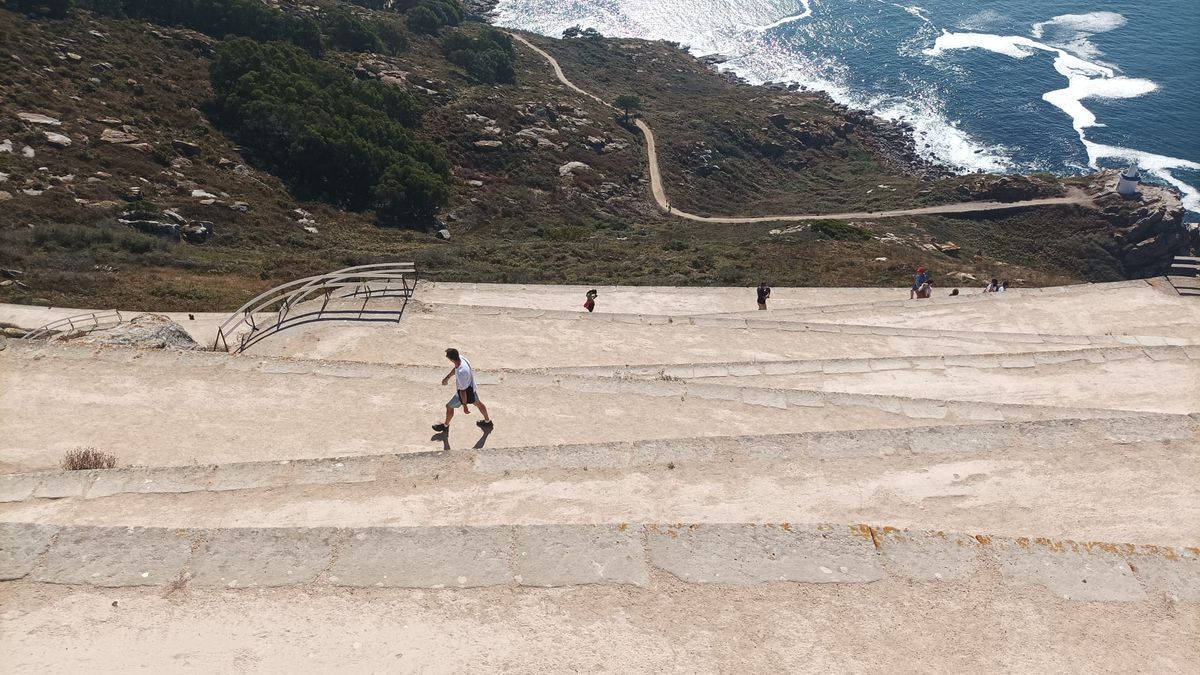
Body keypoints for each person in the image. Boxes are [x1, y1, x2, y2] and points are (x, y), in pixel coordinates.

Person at [432, 348, 492, 433]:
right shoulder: (462, 358)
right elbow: (455, 368)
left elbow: (463, 391)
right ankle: (487, 422)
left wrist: (464, 406)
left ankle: (445, 426)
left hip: (465, 393)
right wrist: (447, 377)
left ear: (451, 359)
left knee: (449, 406)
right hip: (472, 388)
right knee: (478, 403)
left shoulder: (461, 373)